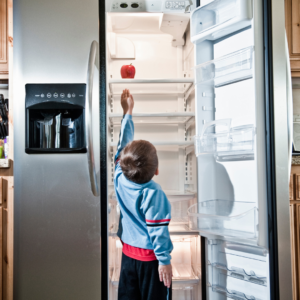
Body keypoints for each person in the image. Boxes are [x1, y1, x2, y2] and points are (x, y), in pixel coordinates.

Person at [114, 89, 173, 300]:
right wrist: (164, 261)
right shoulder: (154, 193)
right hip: (151, 262)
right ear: (156, 170)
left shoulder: (119, 179)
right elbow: (158, 231)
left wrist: (127, 112)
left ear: (121, 164)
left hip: (128, 258)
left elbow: (122, 146)